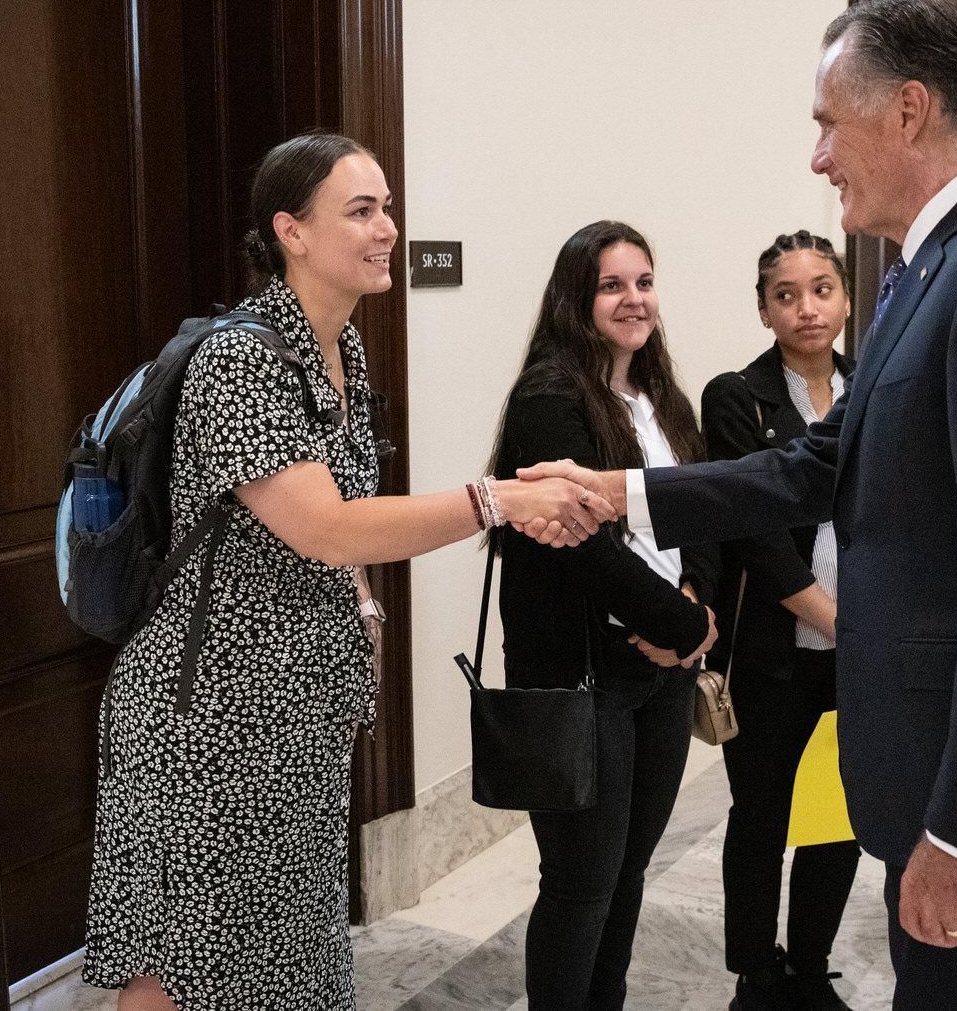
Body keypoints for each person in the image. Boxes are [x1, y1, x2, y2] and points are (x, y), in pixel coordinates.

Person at [519, 0, 957, 1010]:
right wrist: (616, 490)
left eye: (827, 123)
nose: (818, 157)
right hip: (942, 763)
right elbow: (820, 463)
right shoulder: (934, 264)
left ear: (907, 110)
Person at [82, 133, 615, 1011]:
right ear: (291, 231)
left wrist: (361, 609)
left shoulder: (341, 349)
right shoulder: (240, 363)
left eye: (387, 208)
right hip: (210, 712)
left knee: (282, 957)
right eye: (361, 211)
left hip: (296, 711)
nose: (387, 229)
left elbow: (341, 514)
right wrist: (497, 500)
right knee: (183, 970)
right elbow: (326, 529)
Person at [490, 219, 719, 1010]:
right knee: (581, 880)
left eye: (644, 282)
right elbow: (581, 548)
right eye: (612, 285)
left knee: (627, 870)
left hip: (661, 676)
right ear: (575, 299)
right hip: (583, 675)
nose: (634, 299)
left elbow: (699, 508)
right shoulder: (548, 398)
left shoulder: (663, 398)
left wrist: (694, 601)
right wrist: (680, 628)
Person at [700, 231, 860, 1010]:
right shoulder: (737, 396)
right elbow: (754, 534)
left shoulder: (875, 388)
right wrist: (837, 621)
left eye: (822, 289)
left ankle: (809, 966)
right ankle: (756, 975)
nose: (807, 308)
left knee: (837, 814)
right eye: (786, 295)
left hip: (855, 657)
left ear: (846, 298)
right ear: (764, 310)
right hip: (773, 653)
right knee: (761, 816)